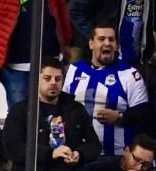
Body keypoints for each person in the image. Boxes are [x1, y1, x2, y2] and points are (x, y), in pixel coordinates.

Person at [1, 60, 101, 171]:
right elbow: (12, 148)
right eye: (47, 78)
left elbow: (94, 146)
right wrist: (49, 153)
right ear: (36, 79)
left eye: (57, 79)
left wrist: (79, 154)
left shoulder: (75, 109)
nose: (53, 83)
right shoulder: (21, 110)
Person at [63, 23, 150, 158]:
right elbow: (63, 108)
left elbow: (144, 116)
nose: (107, 43)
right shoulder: (73, 70)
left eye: (111, 39)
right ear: (91, 44)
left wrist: (119, 118)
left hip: (115, 156)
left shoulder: (130, 74)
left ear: (117, 45)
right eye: (101, 39)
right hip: (78, 154)